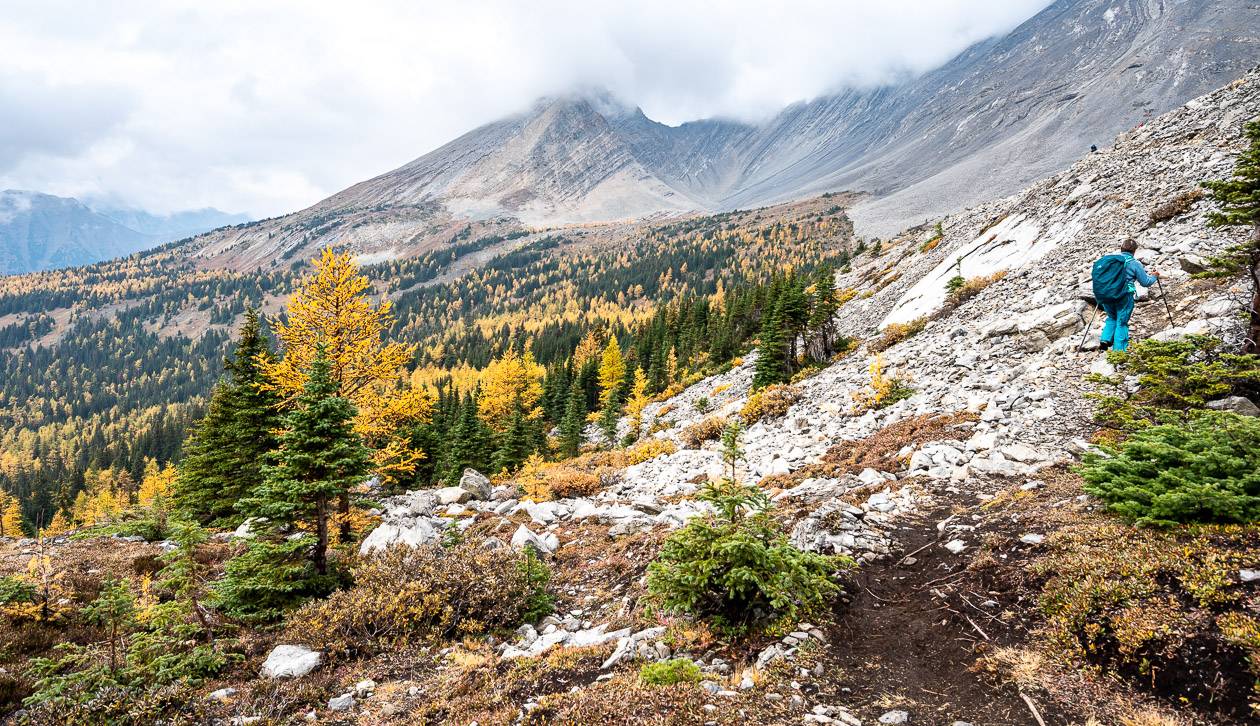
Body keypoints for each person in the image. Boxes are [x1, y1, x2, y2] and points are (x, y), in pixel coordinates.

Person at [1092, 238, 1159, 352]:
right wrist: (1154, 276)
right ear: (1134, 251)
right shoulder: (1134, 263)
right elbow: (1145, 282)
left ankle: (1105, 339)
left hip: (1106, 295)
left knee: (1112, 317)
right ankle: (1119, 352)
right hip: (1124, 296)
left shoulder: (1111, 261)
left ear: (1121, 249)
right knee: (1122, 322)